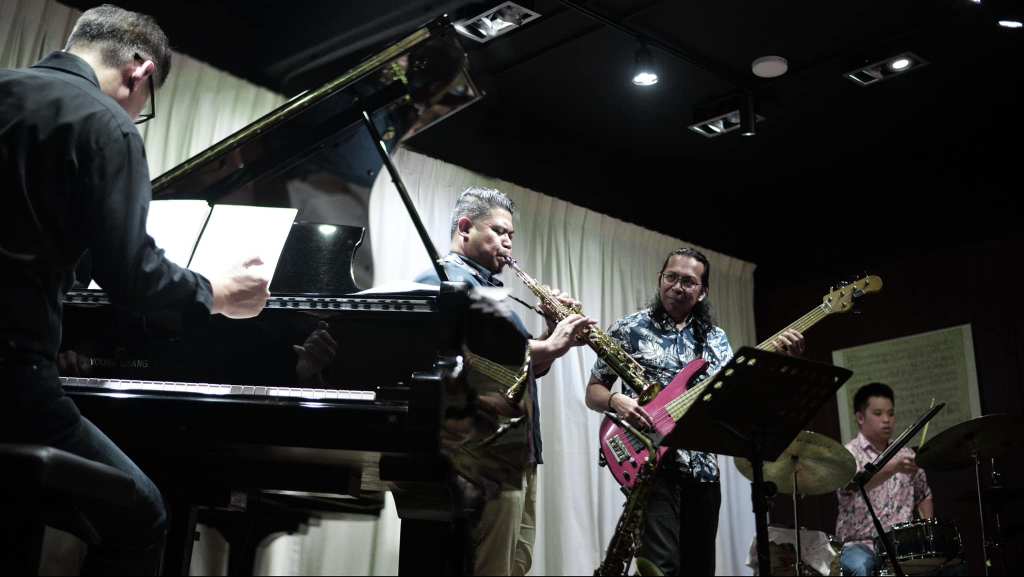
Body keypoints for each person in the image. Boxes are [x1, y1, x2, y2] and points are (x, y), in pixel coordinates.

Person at [0, 5, 269, 574]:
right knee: (141, 516)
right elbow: (131, 277)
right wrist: (216, 292)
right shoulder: (107, 124)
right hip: (11, 383)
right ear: (142, 71)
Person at [585, 247, 806, 575]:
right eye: (671, 277)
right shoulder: (628, 329)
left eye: (688, 281)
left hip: (703, 470)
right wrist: (616, 400)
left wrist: (781, 363)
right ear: (660, 279)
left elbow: (735, 398)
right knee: (660, 567)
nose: (677, 286)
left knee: (700, 568)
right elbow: (593, 392)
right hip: (651, 466)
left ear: (702, 292)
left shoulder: (715, 339)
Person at [415, 186, 595, 576]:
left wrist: (551, 333)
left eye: (511, 234)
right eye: (499, 231)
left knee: (516, 563)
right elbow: (471, 358)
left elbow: (521, 372)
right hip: (480, 455)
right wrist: (552, 343)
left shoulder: (489, 290)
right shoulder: (443, 279)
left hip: (513, 451)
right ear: (465, 227)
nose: (509, 242)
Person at [835, 382, 947, 576]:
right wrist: (893, 467)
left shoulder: (906, 454)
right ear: (860, 417)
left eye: (891, 413)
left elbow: (923, 495)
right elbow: (854, 485)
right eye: (878, 414)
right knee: (861, 566)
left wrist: (927, 534)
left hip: (902, 545)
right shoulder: (848, 454)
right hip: (860, 543)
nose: (886, 420)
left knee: (945, 565)